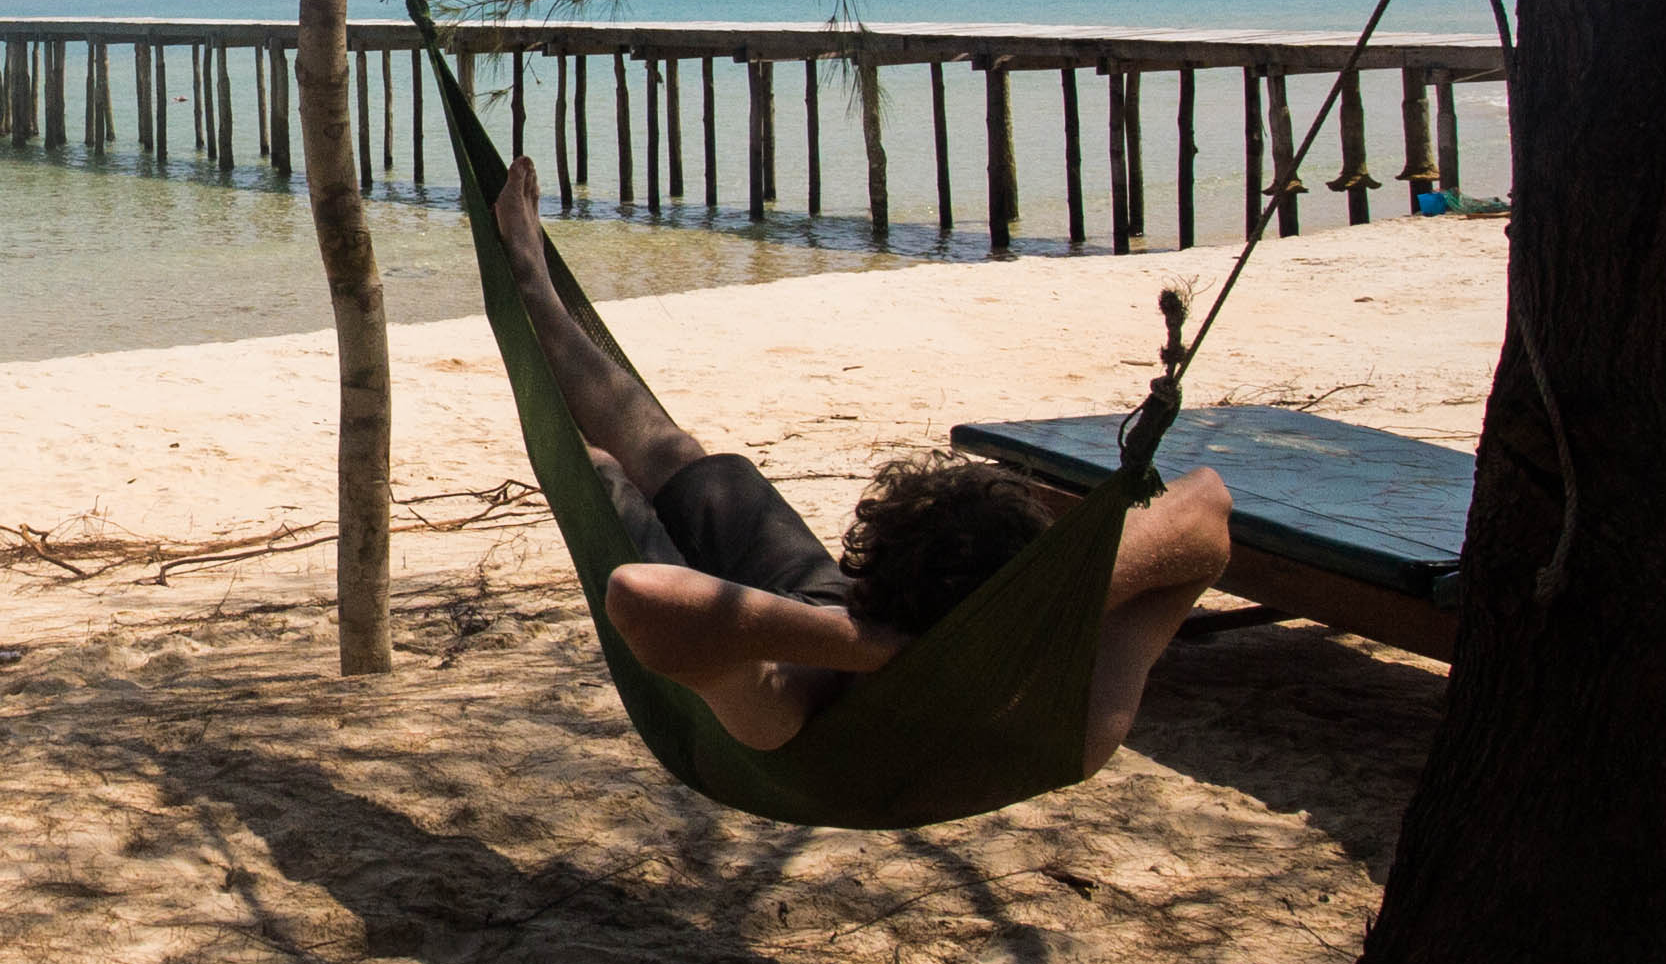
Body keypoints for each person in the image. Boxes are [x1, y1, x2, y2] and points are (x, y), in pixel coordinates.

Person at [491, 160, 1234, 773]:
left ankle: (530, 285)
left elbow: (637, 592)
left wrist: (872, 646)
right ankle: (539, 288)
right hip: (829, 612)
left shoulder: (801, 700)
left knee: (592, 468)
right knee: (686, 459)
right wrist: (1032, 604)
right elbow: (1205, 505)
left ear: (870, 584)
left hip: (790, 638)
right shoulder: (1076, 724)